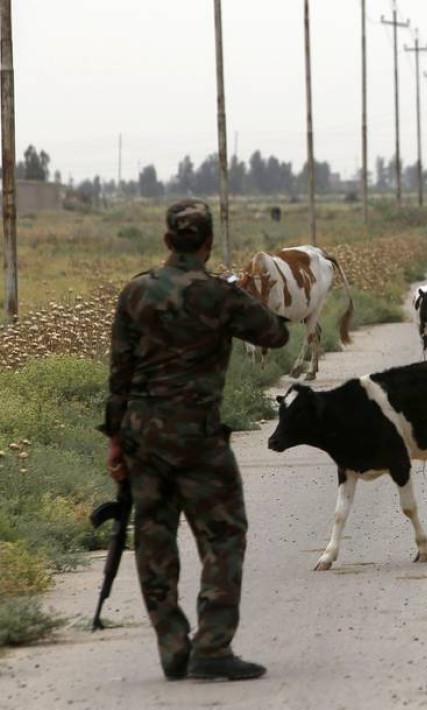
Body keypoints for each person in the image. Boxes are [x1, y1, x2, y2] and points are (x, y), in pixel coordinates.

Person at [103, 199, 289, 681]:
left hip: (143, 434)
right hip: (197, 437)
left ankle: (171, 643)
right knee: (223, 535)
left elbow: (119, 371)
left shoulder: (136, 292)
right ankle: (212, 646)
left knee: (153, 538)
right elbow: (274, 335)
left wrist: (115, 439)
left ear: (167, 240)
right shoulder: (218, 295)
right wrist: (236, 294)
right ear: (207, 243)